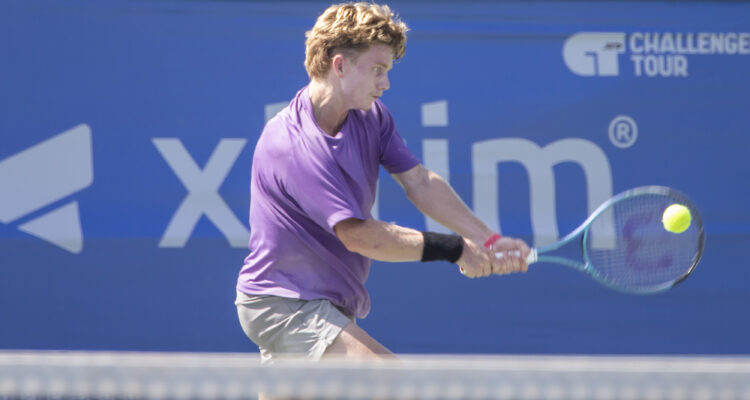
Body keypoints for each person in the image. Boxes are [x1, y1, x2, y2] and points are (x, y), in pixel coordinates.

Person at [235, 2, 530, 363]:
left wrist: (488, 239)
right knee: (391, 383)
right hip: (285, 304)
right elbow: (359, 237)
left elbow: (420, 183)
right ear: (339, 65)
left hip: (328, 304)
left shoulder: (371, 117)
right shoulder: (292, 143)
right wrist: (454, 248)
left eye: (386, 71)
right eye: (376, 70)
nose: (385, 83)